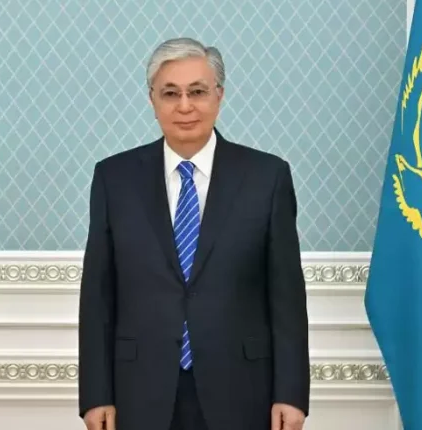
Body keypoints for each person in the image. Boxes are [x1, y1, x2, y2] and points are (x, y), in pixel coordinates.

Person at [77, 37, 310, 430]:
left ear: (219, 96)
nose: (184, 106)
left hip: (242, 390)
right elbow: (98, 296)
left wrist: (291, 393)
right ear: (152, 100)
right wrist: (96, 395)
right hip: (140, 391)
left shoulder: (266, 177)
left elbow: (286, 297)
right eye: (170, 93)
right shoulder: (114, 178)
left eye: (197, 92)